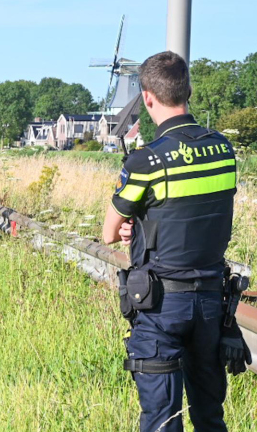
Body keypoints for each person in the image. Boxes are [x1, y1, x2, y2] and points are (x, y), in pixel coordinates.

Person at [102, 51, 250, 432]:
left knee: (162, 420)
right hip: (212, 306)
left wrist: (132, 224)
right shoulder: (223, 151)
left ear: (147, 97)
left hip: (161, 306)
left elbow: (108, 232)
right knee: (210, 418)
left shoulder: (147, 160)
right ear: (189, 90)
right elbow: (193, 213)